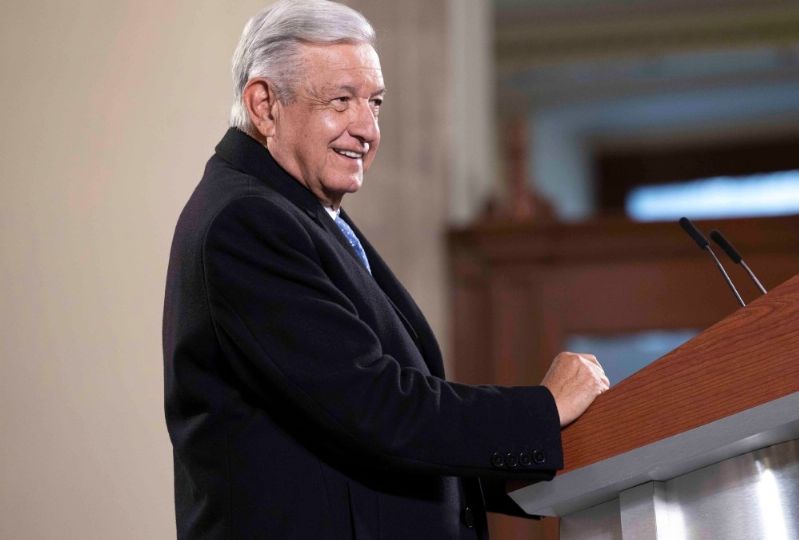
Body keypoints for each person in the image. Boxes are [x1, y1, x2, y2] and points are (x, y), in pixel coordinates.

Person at [162, 1, 609, 538]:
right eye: (341, 101)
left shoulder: (298, 211)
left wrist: (565, 470)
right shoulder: (248, 220)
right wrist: (541, 411)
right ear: (264, 105)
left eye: (374, 103)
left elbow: (352, 428)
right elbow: (375, 409)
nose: (367, 130)